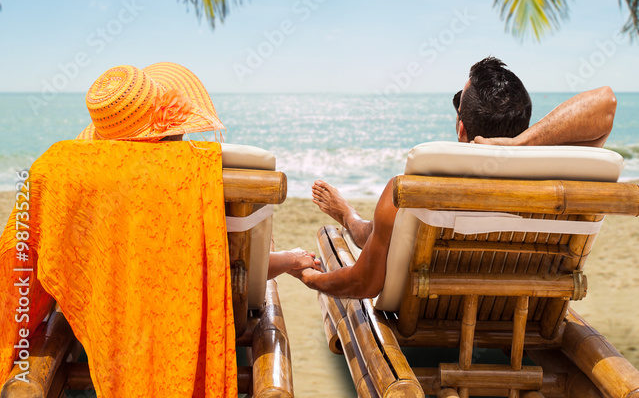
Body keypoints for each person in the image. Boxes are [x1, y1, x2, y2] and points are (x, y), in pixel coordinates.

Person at [296, 56, 617, 300]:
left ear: (462, 128)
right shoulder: (555, 177)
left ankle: (348, 215)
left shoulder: (417, 188)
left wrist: (312, 280)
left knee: (378, 229)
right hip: (522, 312)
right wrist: (520, 146)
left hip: (428, 314)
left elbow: (363, 282)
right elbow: (605, 103)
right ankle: (349, 215)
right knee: (380, 229)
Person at [77, 61, 320, 279]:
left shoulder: (92, 182)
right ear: (176, 127)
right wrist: (292, 259)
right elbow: (234, 267)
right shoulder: (195, 176)